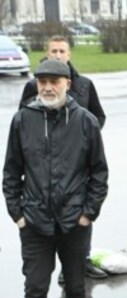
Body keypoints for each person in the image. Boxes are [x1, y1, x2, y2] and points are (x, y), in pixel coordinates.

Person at [4, 60, 109, 298]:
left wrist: (88, 212)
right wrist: (17, 214)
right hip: (34, 223)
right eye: (42, 82)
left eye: (54, 81)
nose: (47, 87)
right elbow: (11, 171)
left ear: (67, 84)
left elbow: (99, 173)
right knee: (35, 289)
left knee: (76, 287)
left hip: (73, 223)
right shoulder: (23, 120)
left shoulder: (86, 121)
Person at [20, 35, 108, 280]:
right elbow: (24, 124)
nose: (58, 55)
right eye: (54, 51)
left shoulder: (84, 85)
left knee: (82, 213)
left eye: (62, 51)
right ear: (47, 54)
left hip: (77, 164)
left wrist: (86, 138)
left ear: (69, 55)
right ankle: (56, 264)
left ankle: (81, 260)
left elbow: (99, 116)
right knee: (48, 219)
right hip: (45, 165)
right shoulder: (32, 87)